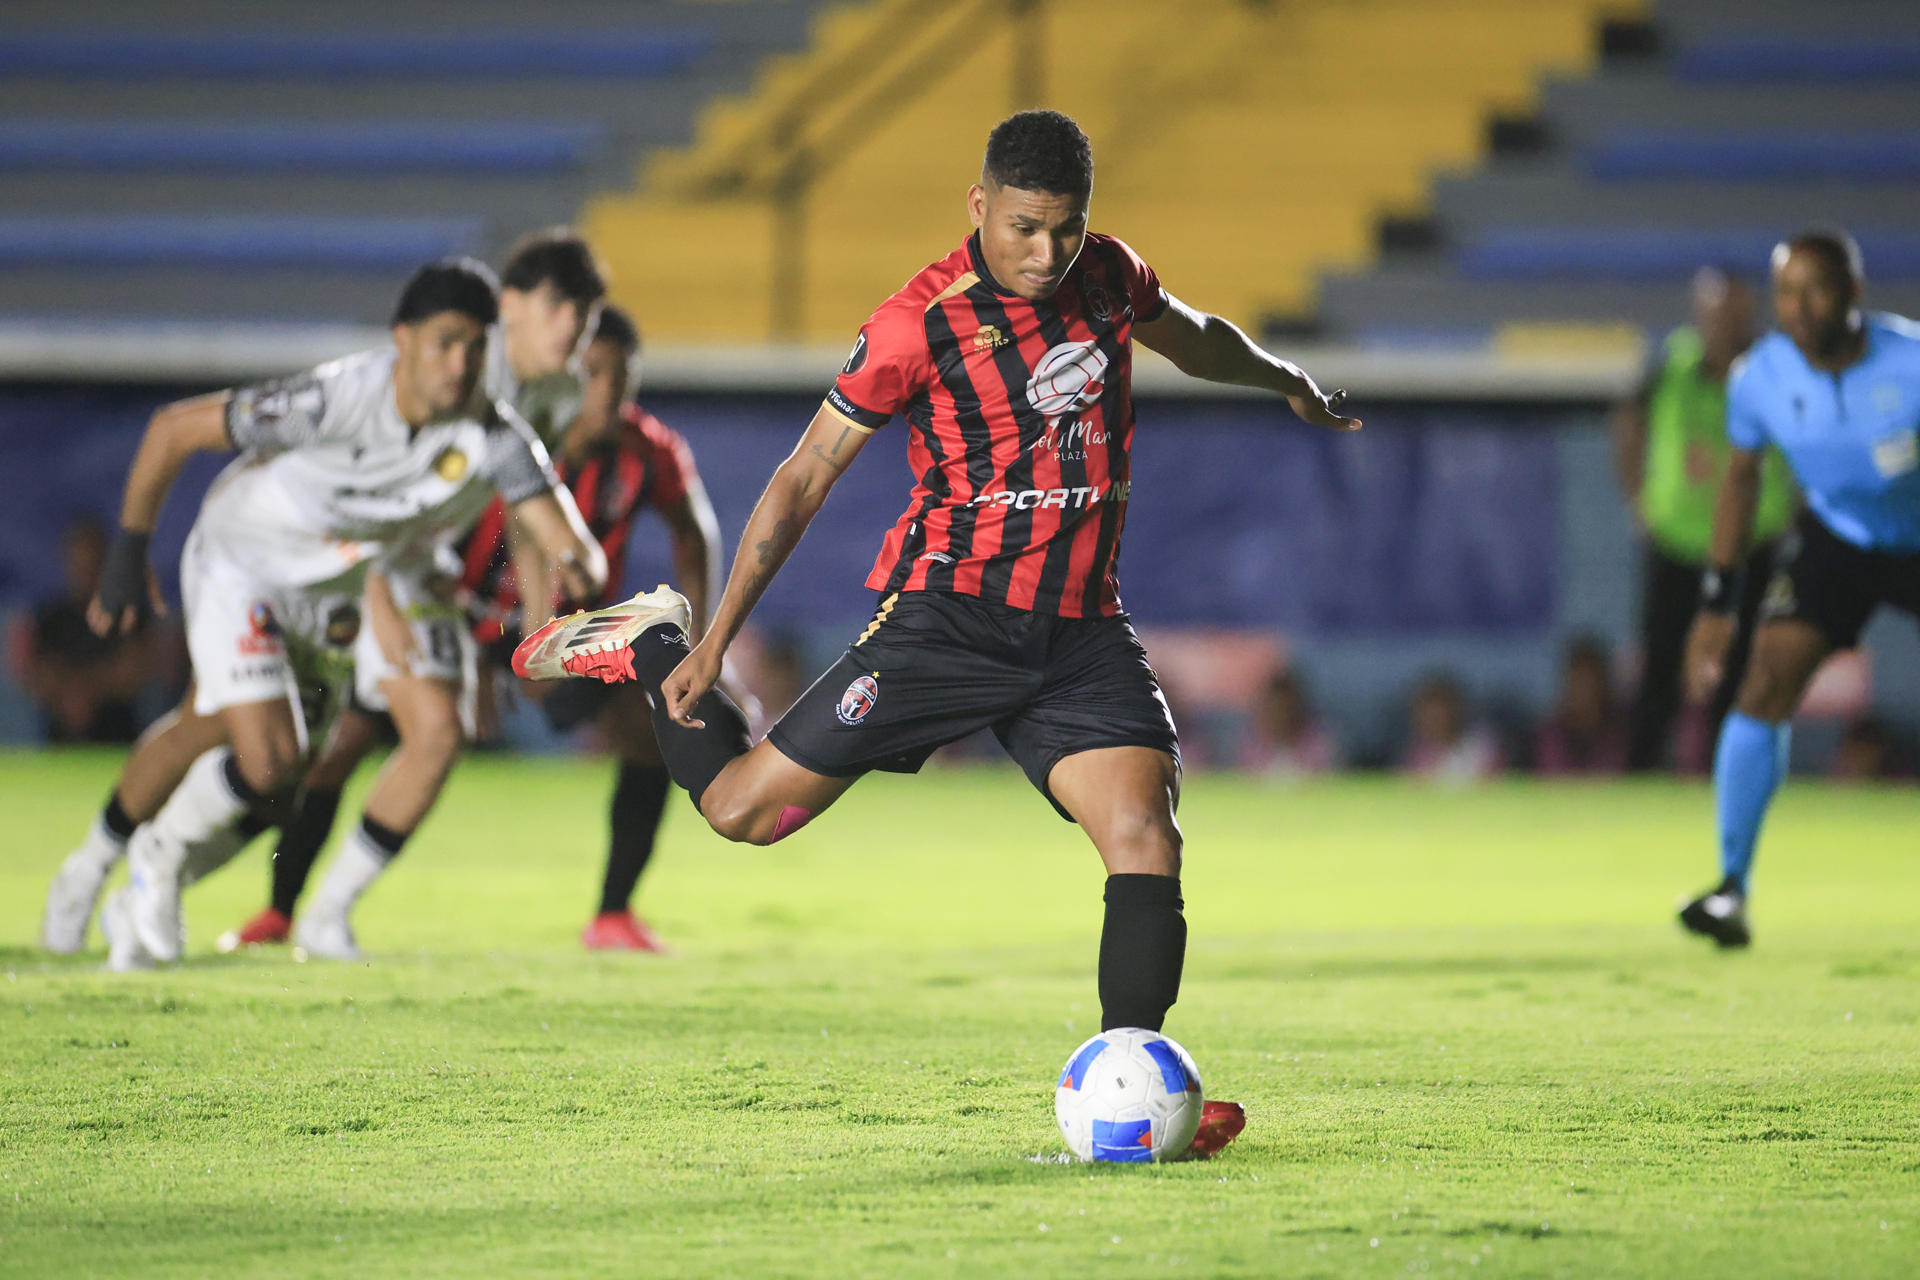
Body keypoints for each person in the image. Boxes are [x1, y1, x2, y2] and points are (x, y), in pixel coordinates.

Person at [513, 109, 1361, 1158]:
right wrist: (714, 635)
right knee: (742, 815)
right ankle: (647, 640)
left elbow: (1190, 331)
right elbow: (805, 473)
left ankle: (1135, 1092)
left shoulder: (1109, 275)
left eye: (1065, 228)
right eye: (1024, 228)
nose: (1046, 254)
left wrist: (1289, 382)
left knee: (1146, 836)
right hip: (945, 620)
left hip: (1080, 633)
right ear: (979, 207)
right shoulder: (920, 321)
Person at [40, 260, 607, 966]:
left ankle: (109, 869)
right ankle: (137, 868)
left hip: (337, 582)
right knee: (268, 753)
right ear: (403, 340)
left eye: (472, 347)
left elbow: (559, 535)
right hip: (245, 561)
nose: (460, 363)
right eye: (444, 344)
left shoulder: (497, 427)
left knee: (266, 765)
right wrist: (128, 554)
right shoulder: (332, 399)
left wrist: (579, 581)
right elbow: (174, 428)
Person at [230, 303, 721, 955]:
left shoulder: (648, 453)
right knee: (341, 743)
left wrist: (706, 640)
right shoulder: (504, 436)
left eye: (624, 380)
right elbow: (471, 526)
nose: (611, 394)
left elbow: (695, 532)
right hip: (451, 613)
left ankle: (612, 915)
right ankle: (281, 910)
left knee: (649, 732)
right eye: (597, 374)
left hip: (562, 634)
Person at [216, 231, 616, 958]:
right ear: (514, 305)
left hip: (412, 559)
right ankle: (173, 873)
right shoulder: (460, 357)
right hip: (335, 549)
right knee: (303, 749)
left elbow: (530, 509)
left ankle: (310, 913)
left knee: (407, 735)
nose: (571, 329)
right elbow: (368, 479)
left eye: (584, 316)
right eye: (559, 306)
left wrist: (533, 626)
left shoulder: (559, 390)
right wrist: (377, 599)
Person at [1678, 229, 1920, 948]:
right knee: (1764, 682)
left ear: (1853, 293)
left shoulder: (1911, 365)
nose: (1799, 306)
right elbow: (1742, 479)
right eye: (1786, 291)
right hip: (1839, 538)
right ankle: (1730, 889)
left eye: (1816, 288)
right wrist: (1719, 601)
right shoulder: (1760, 379)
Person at [1614, 266, 1796, 772]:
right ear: (1699, 315)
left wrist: (1796, 511)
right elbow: (1627, 423)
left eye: (1734, 314)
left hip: (1748, 546)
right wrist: (1638, 500)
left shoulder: (1774, 371)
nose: (1723, 325)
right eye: (1714, 314)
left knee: (1739, 669)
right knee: (1661, 665)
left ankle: (1730, 776)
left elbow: (1808, 437)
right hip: (1676, 542)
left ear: (1750, 315)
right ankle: (1642, 773)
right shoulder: (1669, 366)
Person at [19, 517, 152, 743]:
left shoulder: (128, 613)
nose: (86, 571)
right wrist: (73, 691)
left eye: (93, 562)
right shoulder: (51, 617)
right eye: (80, 563)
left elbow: (133, 670)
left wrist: (84, 688)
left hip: (118, 738)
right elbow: (35, 674)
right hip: (58, 743)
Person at [1533, 635, 1627, 776]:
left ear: (1602, 684)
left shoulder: (1620, 737)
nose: (1584, 690)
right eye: (1578, 681)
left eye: (1589, 682)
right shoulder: (1550, 735)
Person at [1236, 668, 1341, 779]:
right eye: (1274, 708)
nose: (1280, 714)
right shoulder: (1250, 746)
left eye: (1285, 707)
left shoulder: (1320, 745)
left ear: (1296, 707)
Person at [1399, 673, 1503, 785]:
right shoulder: (1416, 752)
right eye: (1427, 715)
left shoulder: (1483, 746)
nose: (1433, 722)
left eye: (1438, 715)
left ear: (1455, 711)